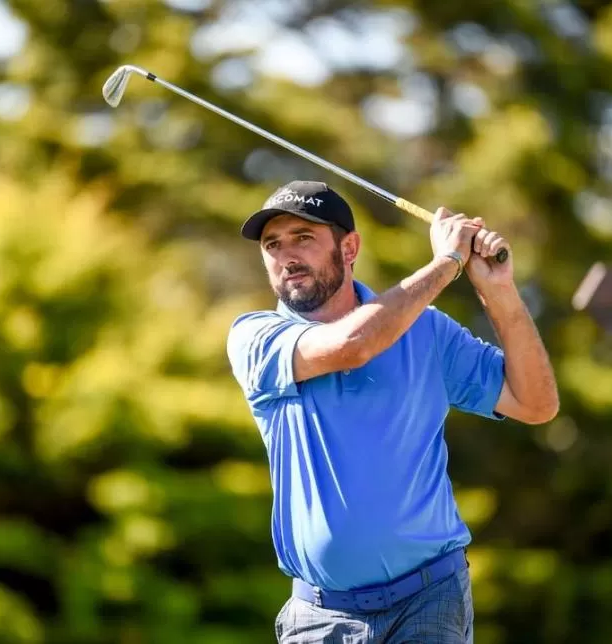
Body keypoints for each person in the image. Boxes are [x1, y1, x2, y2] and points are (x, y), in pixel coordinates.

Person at [226, 180, 558, 644]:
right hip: (321, 616)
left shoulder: (425, 330)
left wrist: (499, 292)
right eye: (272, 245)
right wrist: (448, 263)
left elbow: (537, 403)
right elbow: (353, 345)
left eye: (304, 238)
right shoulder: (255, 337)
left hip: (430, 599)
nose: (286, 257)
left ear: (350, 247)